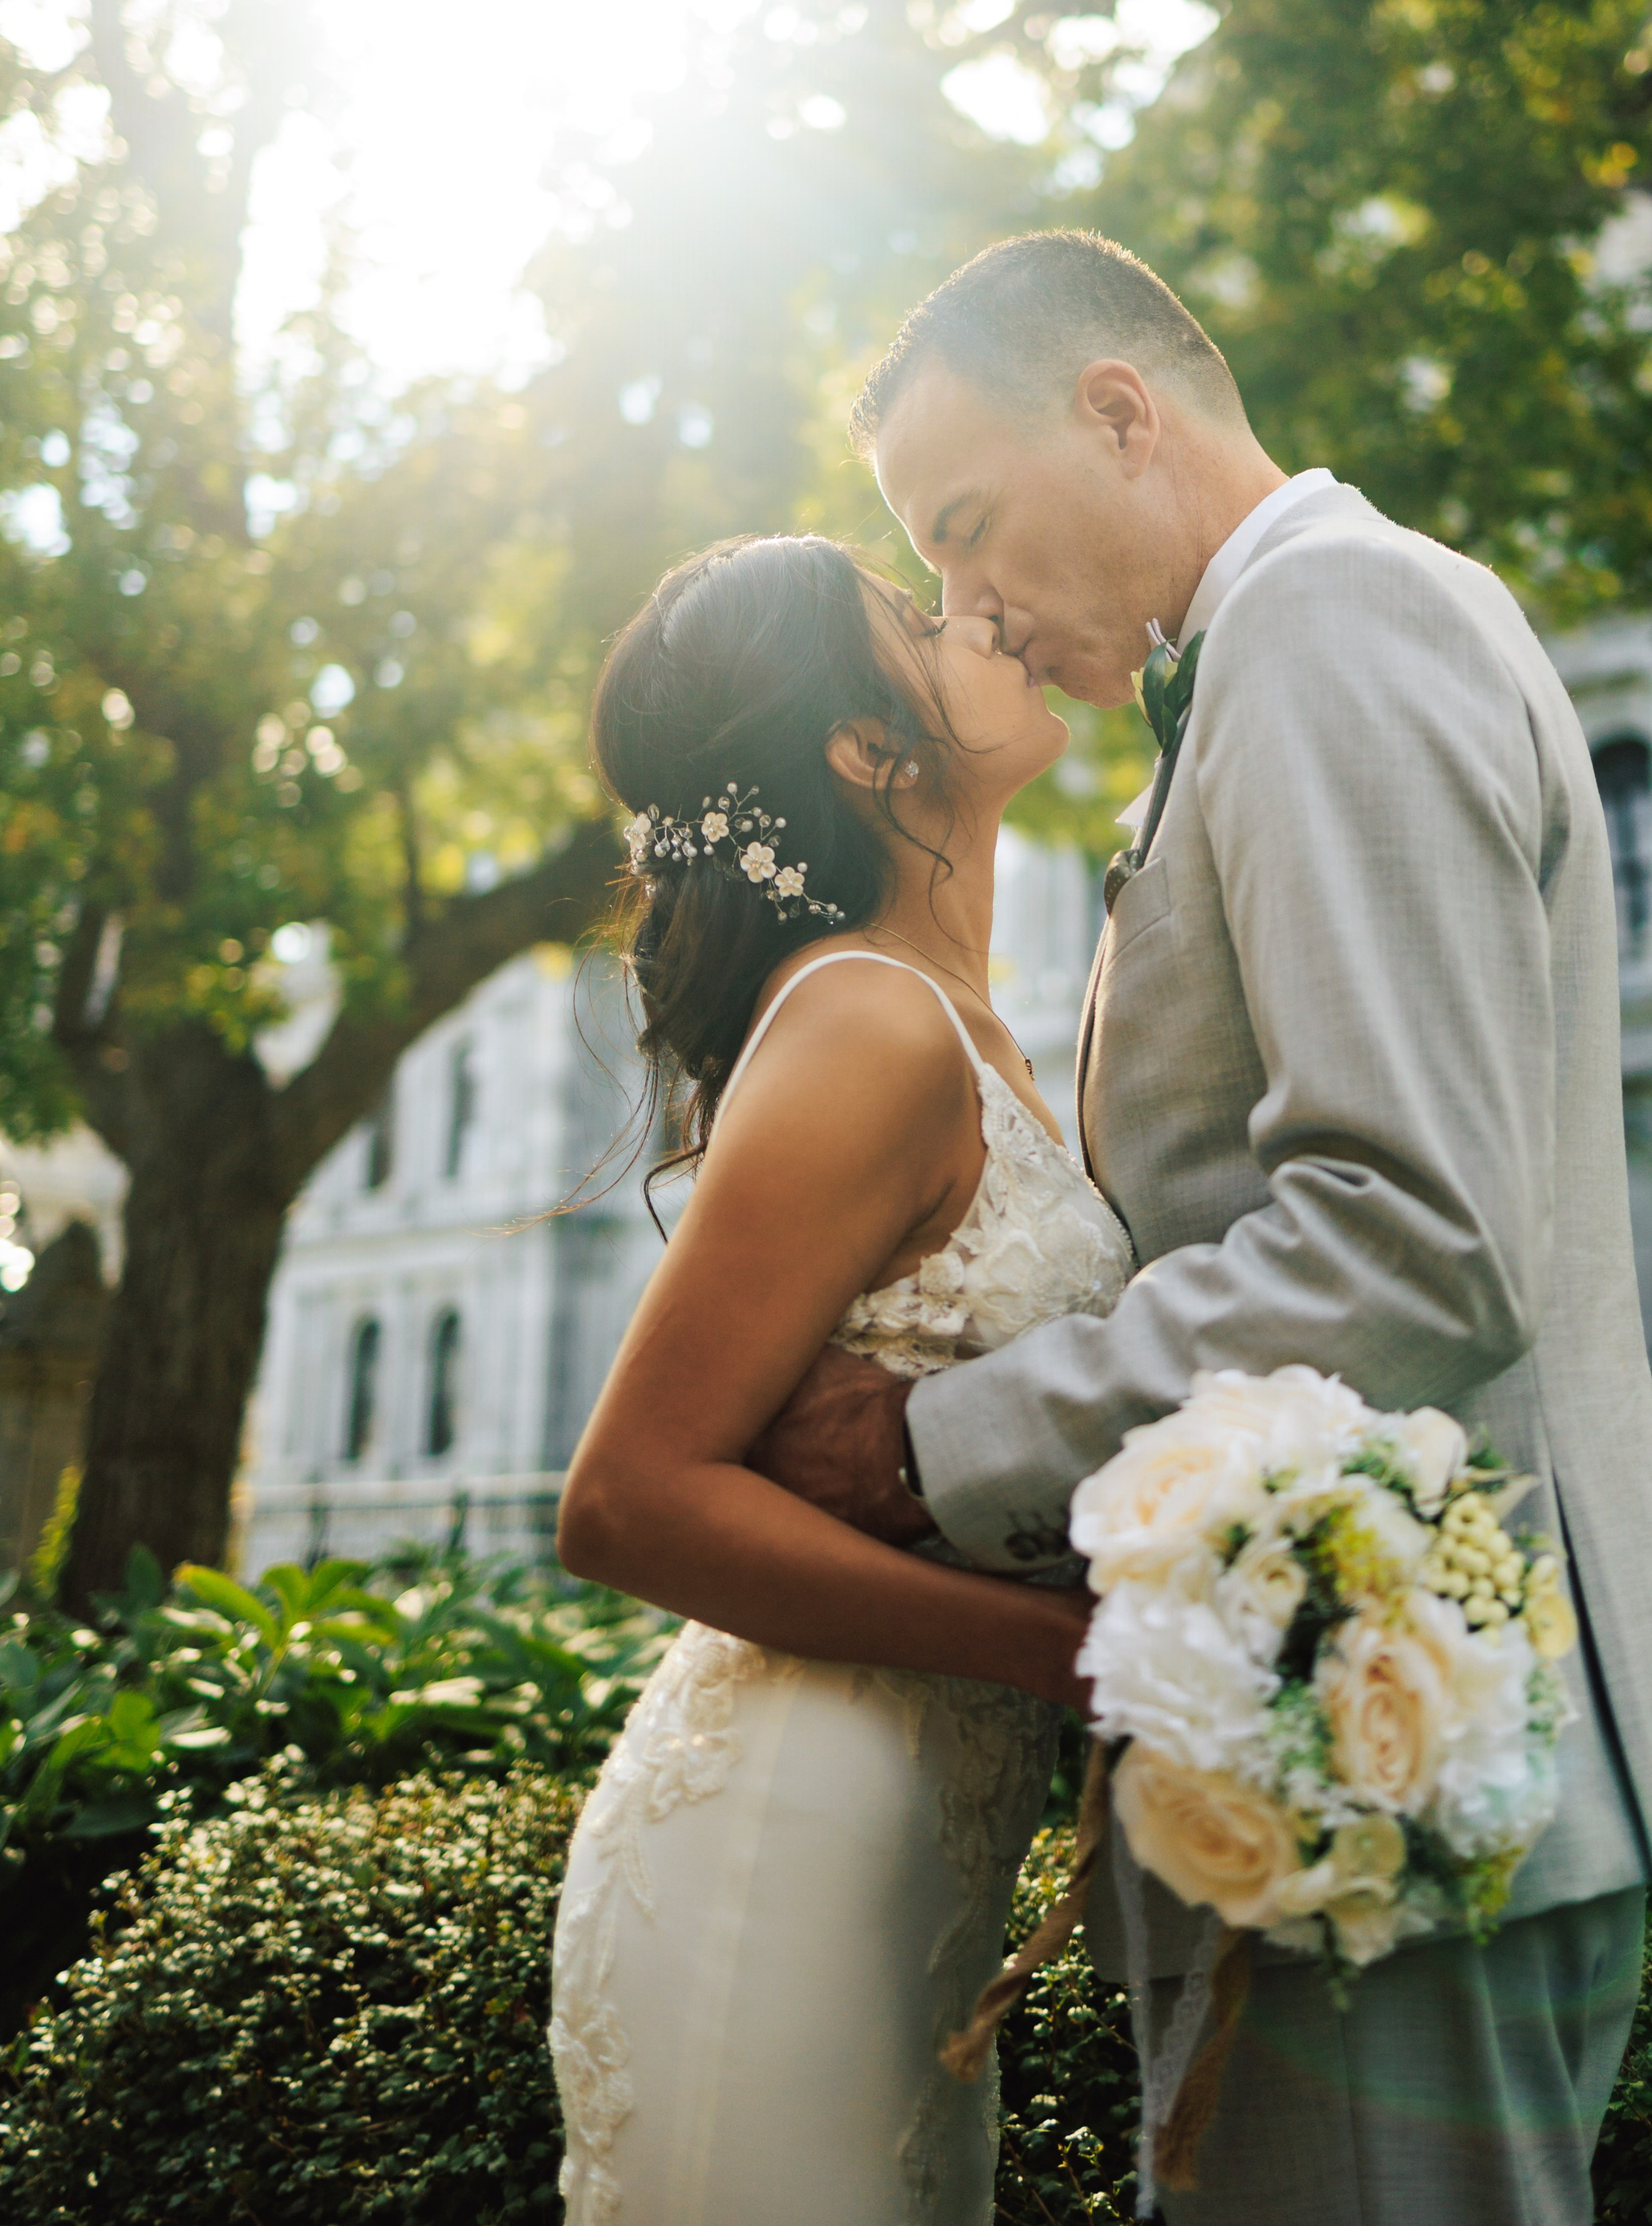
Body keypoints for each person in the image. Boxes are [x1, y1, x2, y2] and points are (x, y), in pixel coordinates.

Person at [747, 227, 1652, 2226]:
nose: (966, 609)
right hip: (1384, 1766)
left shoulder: (1324, 623)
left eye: (967, 528)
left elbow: (1412, 1231)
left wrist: (928, 1443)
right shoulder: (1289, 647)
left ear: (1118, 413)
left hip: (1393, 1787)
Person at [547, 533, 1134, 2224]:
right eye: (915, 610)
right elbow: (627, 1501)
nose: (978, 605)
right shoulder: (869, 1023)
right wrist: (1057, 1651)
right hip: (779, 1859)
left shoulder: (968, 1027)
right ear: (869, 750)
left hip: (911, 1881)